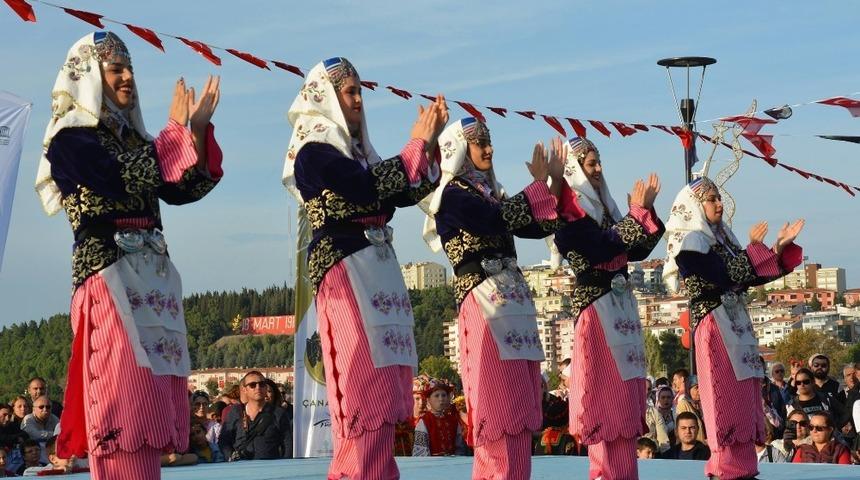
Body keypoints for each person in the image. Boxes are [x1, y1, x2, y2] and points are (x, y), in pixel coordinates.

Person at [40, 31, 223, 480]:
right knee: (122, 400)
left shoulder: (137, 142)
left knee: (151, 401)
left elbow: (184, 187)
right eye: (116, 69)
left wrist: (196, 132)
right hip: (109, 277)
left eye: (130, 70)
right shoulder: (70, 140)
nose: (127, 78)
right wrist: (173, 135)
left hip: (152, 282)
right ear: (88, 76)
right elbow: (115, 177)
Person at [284, 56, 446, 478]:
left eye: (360, 92)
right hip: (345, 269)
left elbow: (401, 191)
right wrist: (415, 145)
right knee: (361, 382)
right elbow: (365, 188)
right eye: (350, 92)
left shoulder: (359, 156)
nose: (358, 100)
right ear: (325, 97)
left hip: (375, 269)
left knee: (381, 381)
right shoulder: (313, 151)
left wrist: (427, 147)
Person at [422, 119, 573, 479]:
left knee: (518, 407)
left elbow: (538, 225)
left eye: (489, 141)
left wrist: (553, 182)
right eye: (480, 143)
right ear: (461, 149)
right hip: (483, 303)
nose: (489, 149)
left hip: (512, 305)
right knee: (496, 403)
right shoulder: (453, 195)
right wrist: (537, 185)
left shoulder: (490, 193)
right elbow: (495, 220)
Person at [664, 176, 804, 480]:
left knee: (743, 398)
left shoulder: (722, 239)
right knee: (723, 399)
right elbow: (724, 275)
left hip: (736, 324)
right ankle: (723, 470)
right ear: (694, 206)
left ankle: (743, 468)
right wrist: (754, 249)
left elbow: (748, 275)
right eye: (711, 199)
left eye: (719, 198)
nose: (719, 204)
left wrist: (777, 248)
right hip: (715, 327)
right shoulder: (690, 242)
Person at [552, 136, 664, 480]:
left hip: (620, 307)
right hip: (596, 310)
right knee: (603, 396)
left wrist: (646, 211)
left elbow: (636, 250)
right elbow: (601, 247)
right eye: (591, 163)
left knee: (625, 395)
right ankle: (603, 473)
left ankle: (624, 472)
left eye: (599, 162)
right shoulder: (569, 210)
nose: (599, 169)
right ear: (575, 169)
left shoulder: (607, 208)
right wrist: (636, 214)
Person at [219, 372, 291, 461]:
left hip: (270, 466)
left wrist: (284, 465)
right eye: (252, 385)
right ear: (245, 390)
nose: (258, 388)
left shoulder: (278, 413)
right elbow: (224, 440)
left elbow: (287, 444)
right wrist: (230, 456)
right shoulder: (235, 412)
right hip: (240, 465)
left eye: (262, 384)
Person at [412, 379, 462, 456]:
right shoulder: (424, 421)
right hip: (431, 462)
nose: (441, 399)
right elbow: (420, 451)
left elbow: (460, 447)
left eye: (444, 395)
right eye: (436, 395)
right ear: (428, 400)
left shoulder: (454, 421)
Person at [644, 386, 672, 454]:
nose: (646, 392)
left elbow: (663, 439)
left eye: (649, 389)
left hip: (650, 454)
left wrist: (666, 455)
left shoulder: (654, 413)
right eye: (663, 397)